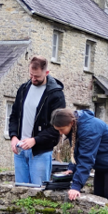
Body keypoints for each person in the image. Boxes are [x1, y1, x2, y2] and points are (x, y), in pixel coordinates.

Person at [50, 108, 108, 202]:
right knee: (98, 199)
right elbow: (77, 151)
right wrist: (71, 168)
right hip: (102, 165)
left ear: (71, 123)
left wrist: (76, 186)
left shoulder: (89, 129)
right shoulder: (75, 127)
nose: (60, 133)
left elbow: (86, 158)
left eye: (61, 129)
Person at [8, 55, 66, 186]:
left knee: (38, 192)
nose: (33, 79)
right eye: (31, 75)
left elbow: (57, 127)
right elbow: (14, 115)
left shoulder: (55, 94)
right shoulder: (23, 89)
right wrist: (13, 136)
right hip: (20, 150)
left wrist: (35, 140)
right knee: (20, 192)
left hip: (41, 151)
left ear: (46, 73)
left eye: (37, 77)